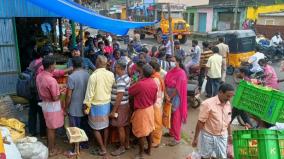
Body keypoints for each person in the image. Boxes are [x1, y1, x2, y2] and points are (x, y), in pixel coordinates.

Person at [83, 55, 115, 158]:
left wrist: (86, 106)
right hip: (106, 104)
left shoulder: (93, 76)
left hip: (96, 105)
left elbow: (89, 94)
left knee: (95, 128)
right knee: (105, 126)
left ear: (97, 63)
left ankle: (102, 148)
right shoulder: (111, 74)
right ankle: (104, 145)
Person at [192, 83, 234, 159]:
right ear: (220, 92)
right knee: (205, 156)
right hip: (208, 136)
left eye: (231, 96)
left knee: (221, 157)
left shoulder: (228, 104)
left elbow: (228, 121)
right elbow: (200, 122)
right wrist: (196, 138)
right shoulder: (207, 104)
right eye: (228, 96)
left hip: (222, 136)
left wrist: (230, 135)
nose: (229, 99)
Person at [36, 56, 64, 157]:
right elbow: (55, 98)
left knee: (49, 126)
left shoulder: (39, 75)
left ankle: (51, 146)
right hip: (52, 106)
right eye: (55, 64)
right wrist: (61, 92)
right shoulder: (51, 80)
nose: (55, 66)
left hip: (45, 104)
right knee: (52, 128)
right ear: (51, 66)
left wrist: (58, 88)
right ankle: (52, 150)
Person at [129, 64, 157, 159]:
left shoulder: (140, 84)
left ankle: (140, 154)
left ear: (142, 73)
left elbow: (130, 91)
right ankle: (149, 150)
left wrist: (135, 81)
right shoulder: (153, 82)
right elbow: (154, 99)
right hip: (150, 109)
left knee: (141, 133)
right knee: (149, 131)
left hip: (141, 111)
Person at [64, 57, 90, 156]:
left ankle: (75, 149)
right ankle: (84, 144)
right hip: (84, 106)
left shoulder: (71, 77)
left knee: (75, 129)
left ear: (72, 65)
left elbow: (69, 95)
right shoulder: (87, 74)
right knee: (84, 126)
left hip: (74, 107)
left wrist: (66, 108)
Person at [164, 55, 188, 146]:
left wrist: (170, 97)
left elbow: (178, 89)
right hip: (168, 96)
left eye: (173, 61)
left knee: (176, 118)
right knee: (169, 115)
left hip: (176, 98)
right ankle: (171, 133)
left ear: (178, 62)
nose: (171, 62)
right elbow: (165, 82)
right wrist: (166, 94)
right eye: (171, 60)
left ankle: (177, 138)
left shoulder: (181, 73)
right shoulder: (170, 71)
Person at [109, 60, 131, 156]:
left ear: (120, 68)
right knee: (125, 125)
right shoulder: (126, 77)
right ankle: (126, 144)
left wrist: (114, 111)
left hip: (120, 106)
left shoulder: (121, 80)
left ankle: (121, 147)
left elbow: (119, 96)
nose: (115, 68)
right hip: (125, 104)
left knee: (120, 126)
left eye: (116, 67)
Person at [149, 60, 165, 148]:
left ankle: (156, 141)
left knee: (156, 122)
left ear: (153, 69)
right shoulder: (158, 76)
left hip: (156, 103)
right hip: (158, 102)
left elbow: (154, 93)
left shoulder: (155, 79)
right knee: (156, 121)